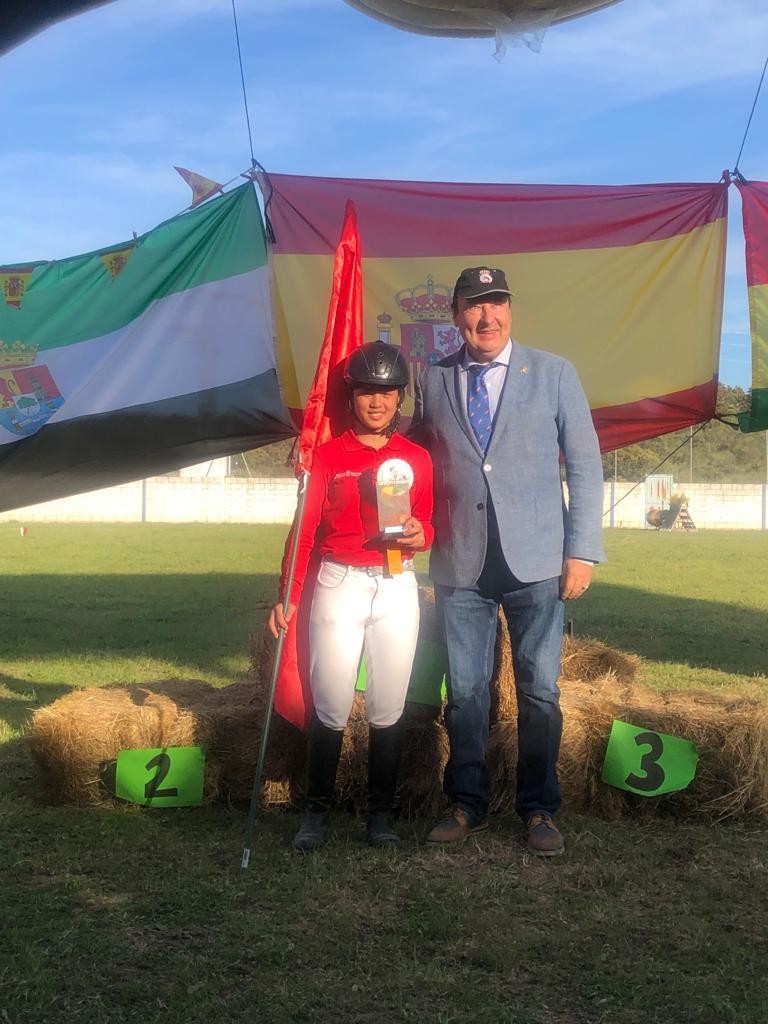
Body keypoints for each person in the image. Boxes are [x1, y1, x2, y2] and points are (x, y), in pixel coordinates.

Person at [410, 267, 605, 856]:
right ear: (456, 315)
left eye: (496, 304)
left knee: (539, 691)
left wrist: (582, 550)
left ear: (511, 311)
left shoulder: (553, 373)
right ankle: (465, 804)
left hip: (540, 562)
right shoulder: (433, 379)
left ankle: (539, 808)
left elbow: (586, 465)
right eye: (474, 306)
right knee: (466, 692)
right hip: (460, 564)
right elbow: (411, 456)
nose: (486, 316)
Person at [269, 341, 434, 852]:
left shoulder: (418, 459)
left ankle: (379, 816)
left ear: (400, 398)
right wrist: (288, 595)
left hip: (396, 584)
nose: (377, 402)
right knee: (333, 699)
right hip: (339, 583)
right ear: (353, 397)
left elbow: (430, 523)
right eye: (367, 392)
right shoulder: (328, 456)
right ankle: (315, 814)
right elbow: (304, 532)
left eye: (386, 393)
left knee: (389, 702)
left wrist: (417, 534)